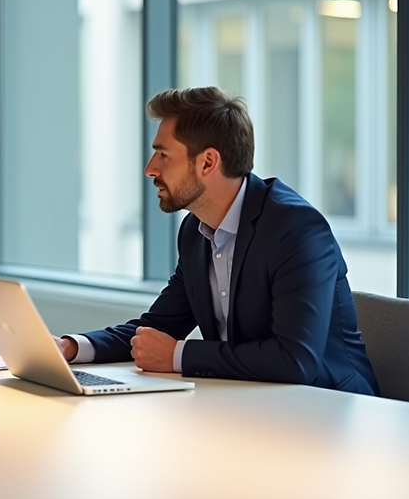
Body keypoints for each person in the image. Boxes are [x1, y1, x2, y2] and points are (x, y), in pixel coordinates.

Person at [56, 86, 377, 395]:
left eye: (163, 155)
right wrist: (71, 348)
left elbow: (296, 360)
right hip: (251, 404)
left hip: (332, 412)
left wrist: (178, 356)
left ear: (208, 162)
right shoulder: (196, 231)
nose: (150, 169)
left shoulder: (296, 230)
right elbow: (157, 329)